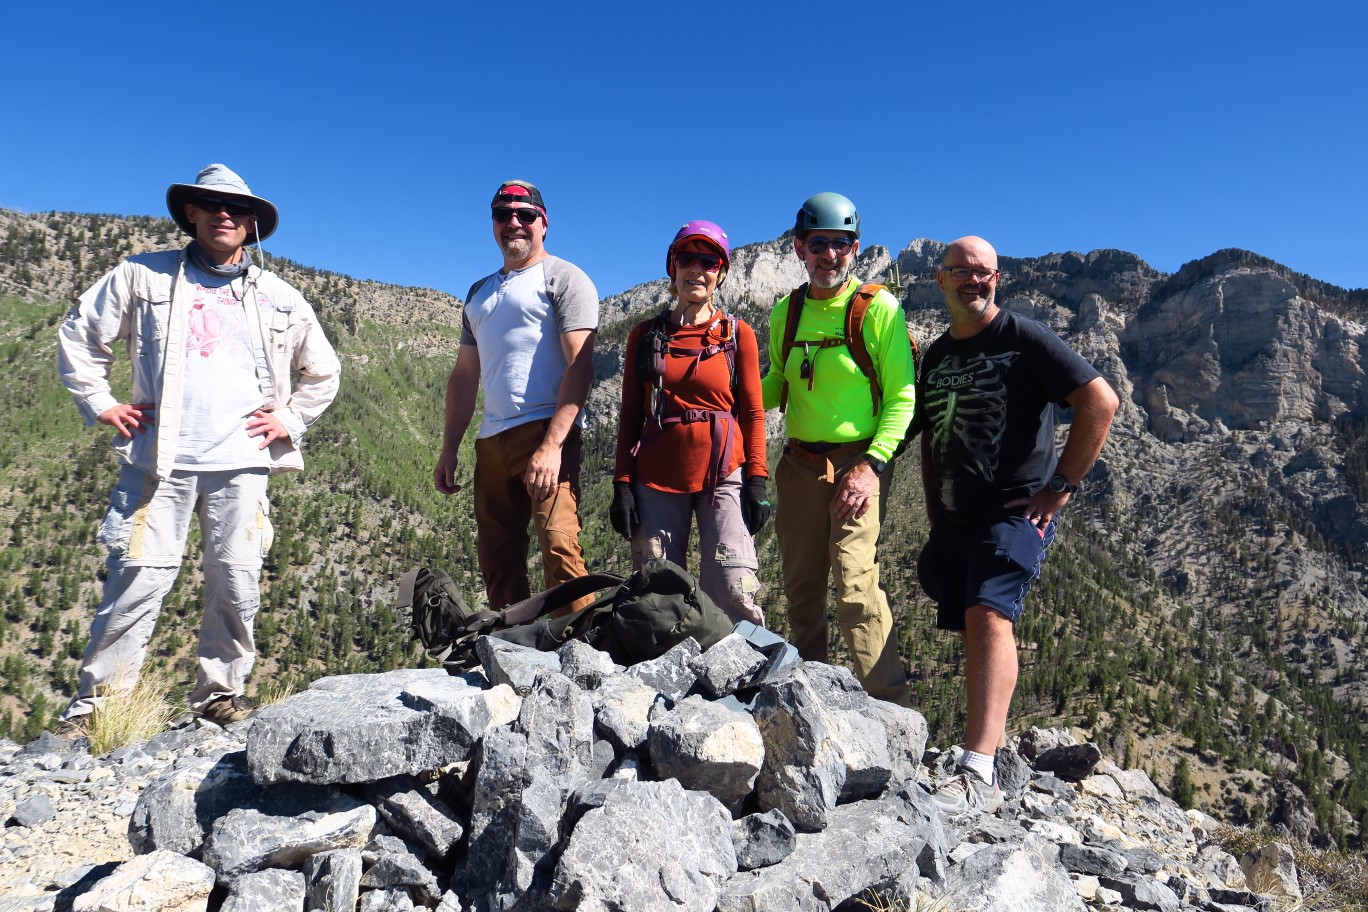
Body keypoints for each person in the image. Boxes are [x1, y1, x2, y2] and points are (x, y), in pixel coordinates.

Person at [55, 163, 341, 731]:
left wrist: (290, 418)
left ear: (253, 221)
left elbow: (323, 372)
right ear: (192, 213)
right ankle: (97, 711)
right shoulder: (143, 277)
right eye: (213, 205)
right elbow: (80, 334)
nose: (225, 215)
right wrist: (101, 403)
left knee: (236, 581)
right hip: (159, 461)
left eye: (237, 208)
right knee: (138, 577)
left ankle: (219, 694)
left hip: (242, 463)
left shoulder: (279, 297)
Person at [914, 235, 1119, 812]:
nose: (975, 281)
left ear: (997, 280)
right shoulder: (938, 355)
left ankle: (977, 770)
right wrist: (935, 514)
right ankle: (989, 751)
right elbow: (933, 439)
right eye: (963, 272)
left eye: (986, 273)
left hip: (1015, 512)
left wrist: (1061, 487)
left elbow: (1100, 402)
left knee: (989, 614)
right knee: (972, 622)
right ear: (941, 280)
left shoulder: (1024, 338)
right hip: (955, 519)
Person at [760, 192, 914, 704]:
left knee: (855, 587)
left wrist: (871, 467)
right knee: (802, 590)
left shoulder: (877, 308)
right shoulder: (786, 311)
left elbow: (902, 397)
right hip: (799, 465)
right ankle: (808, 701)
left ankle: (892, 713)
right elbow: (778, 381)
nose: (831, 255)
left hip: (859, 463)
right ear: (799, 247)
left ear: (856, 248)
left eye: (841, 244)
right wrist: (725, 395)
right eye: (819, 243)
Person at [434, 180, 598, 612]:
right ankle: (514, 650)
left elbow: (580, 365)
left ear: (544, 224)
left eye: (525, 216)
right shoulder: (478, 292)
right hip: (490, 441)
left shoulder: (564, 278)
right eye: (503, 214)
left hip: (544, 431)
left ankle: (584, 655)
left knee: (559, 547)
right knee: (497, 560)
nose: (514, 224)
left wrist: (552, 446)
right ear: (493, 224)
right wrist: (449, 448)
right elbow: (464, 377)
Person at [611, 221, 769, 623]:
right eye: (687, 258)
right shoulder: (645, 335)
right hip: (658, 472)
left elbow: (752, 411)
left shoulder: (737, 334)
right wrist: (622, 485)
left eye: (709, 260)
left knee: (733, 588)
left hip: (724, 470)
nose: (696, 269)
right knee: (656, 591)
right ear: (672, 267)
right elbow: (630, 415)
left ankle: (745, 679)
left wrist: (757, 481)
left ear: (721, 272)